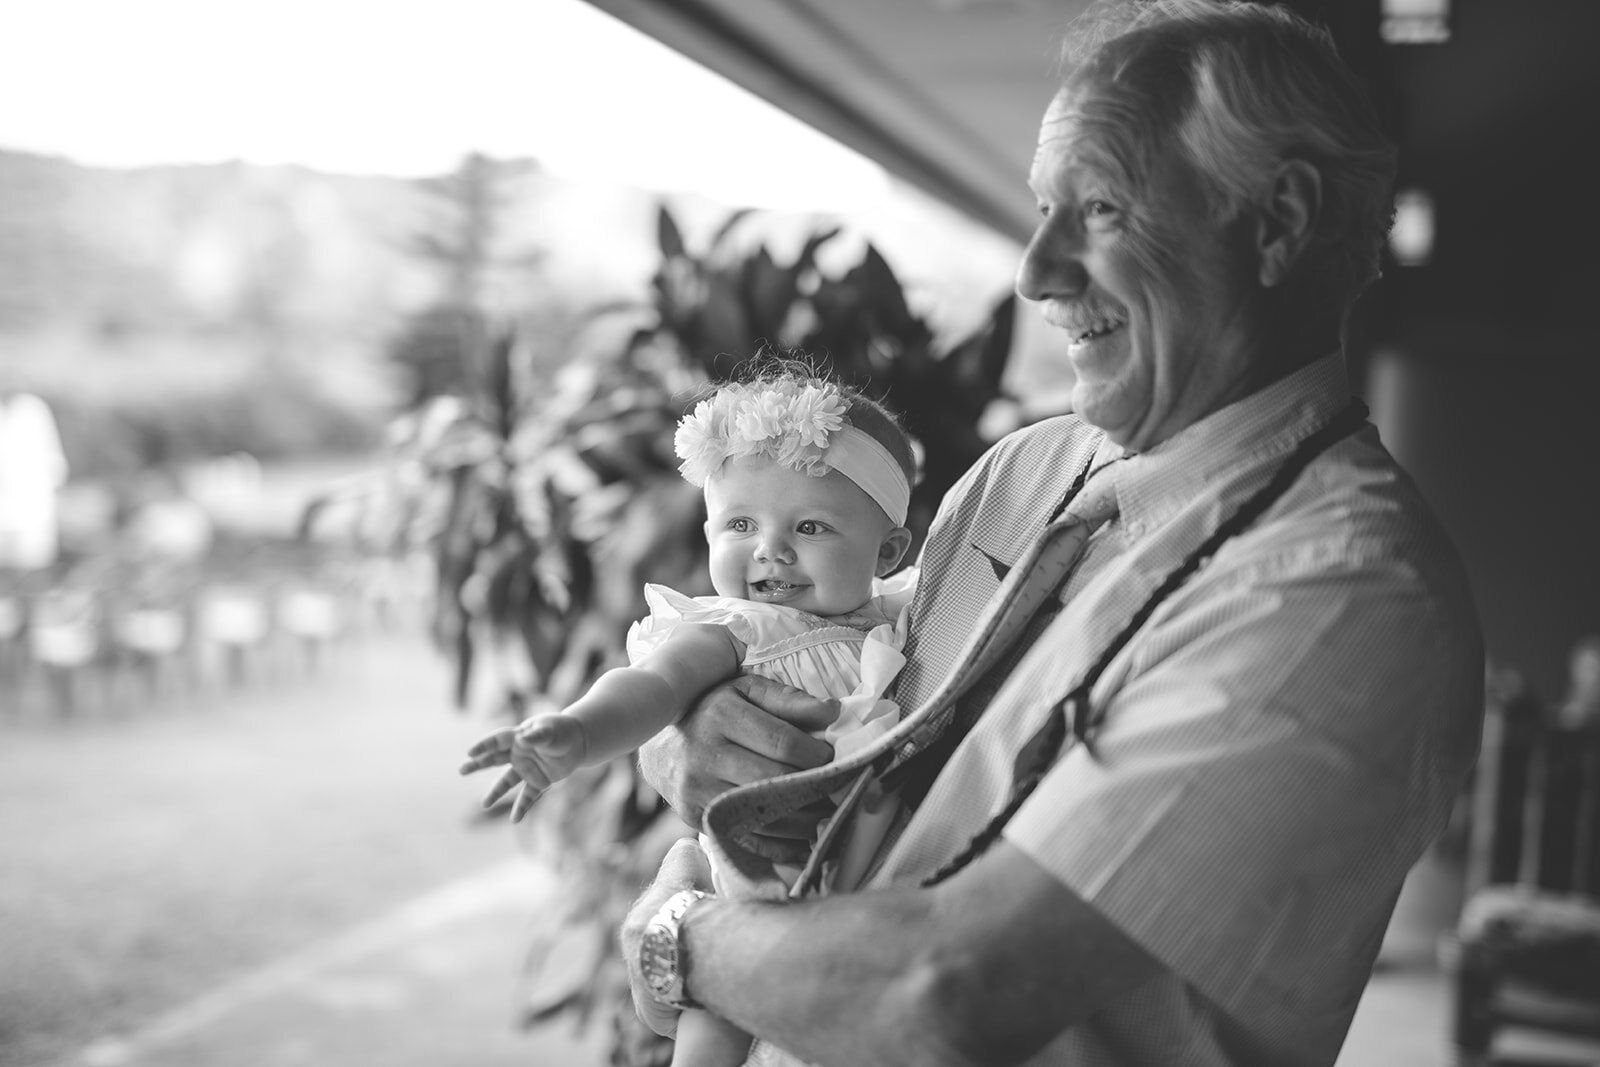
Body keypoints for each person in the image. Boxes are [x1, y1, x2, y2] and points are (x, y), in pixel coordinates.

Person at [620, 2, 1486, 1065]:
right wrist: (695, 725)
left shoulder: (1345, 597)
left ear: (1277, 222)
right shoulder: (1025, 468)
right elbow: (834, 679)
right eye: (1042, 211)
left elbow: (949, 991)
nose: (1034, 270)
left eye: (1101, 210)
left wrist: (678, 936)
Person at [460, 368, 918, 1067]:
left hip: (872, 891)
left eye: (811, 525)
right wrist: (578, 733)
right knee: (720, 1020)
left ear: (888, 551)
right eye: (740, 524)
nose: (770, 549)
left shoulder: (905, 616)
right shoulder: (742, 627)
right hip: (759, 884)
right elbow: (653, 686)